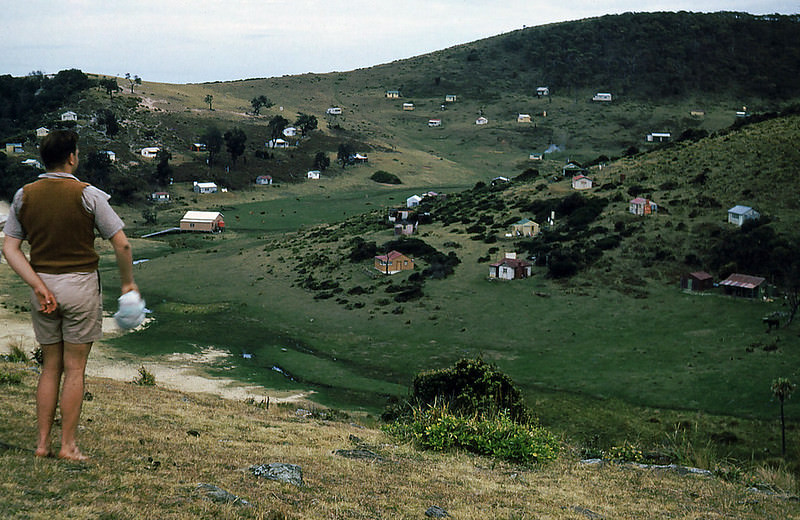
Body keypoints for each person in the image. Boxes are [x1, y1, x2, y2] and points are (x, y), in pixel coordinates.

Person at [2, 129, 138, 462]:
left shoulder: (24, 196)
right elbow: (121, 243)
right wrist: (127, 284)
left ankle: (42, 444)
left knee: (50, 368)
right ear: (72, 157)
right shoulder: (89, 195)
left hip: (43, 285)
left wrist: (37, 285)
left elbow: (10, 247)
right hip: (80, 287)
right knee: (74, 370)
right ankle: (67, 446)